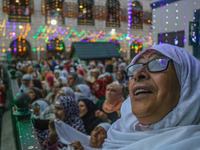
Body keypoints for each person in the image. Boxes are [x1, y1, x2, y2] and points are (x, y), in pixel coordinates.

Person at [103, 43, 200, 149]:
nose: (137, 73)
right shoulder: (117, 134)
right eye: (135, 67)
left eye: (157, 63)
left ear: (188, 83)